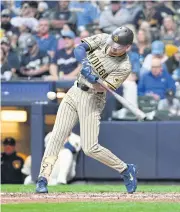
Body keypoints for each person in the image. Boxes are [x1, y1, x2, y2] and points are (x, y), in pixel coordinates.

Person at [36, 26, 137, 194]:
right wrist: (84, 63)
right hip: (74, 92)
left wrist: (93, 77)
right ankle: (43, 178)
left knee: (90, 147)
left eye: (118, 47)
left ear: (127, 47)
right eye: (113, 43)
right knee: (56, 137)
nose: (113, 47)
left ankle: (126, 169)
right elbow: (80, 48)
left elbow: (104, 88)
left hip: (93, 99)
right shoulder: (105, 38)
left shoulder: (124, 66)